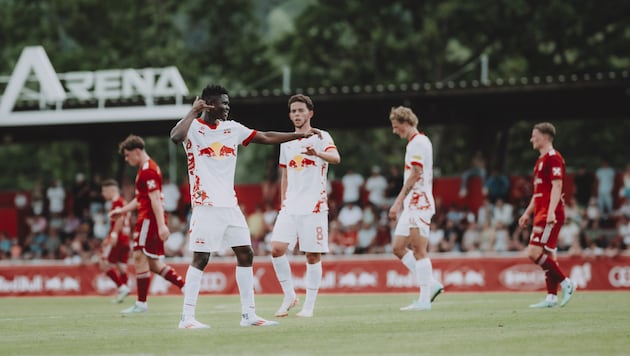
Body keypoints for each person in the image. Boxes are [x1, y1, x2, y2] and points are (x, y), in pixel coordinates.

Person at [170, 85, 322, 329]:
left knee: (246, 253)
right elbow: (175, 137)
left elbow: (266, 137)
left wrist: (298, 135)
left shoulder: (233, 129)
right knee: (201, 258)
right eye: (224, 103)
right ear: (209, 104)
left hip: (230, 206)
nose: (228, 107)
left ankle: (248, 315)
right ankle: (186, 318)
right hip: (205, 204)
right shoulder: (193, 128)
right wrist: (193, 112)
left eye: (228, 103)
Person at [269, 94, 340, 318]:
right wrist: (283, 203)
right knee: (276, 249)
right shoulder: (287, 141)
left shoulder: (321, 136)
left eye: (301, 110)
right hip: (290, 206)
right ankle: (289, 295)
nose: (297, 114)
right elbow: (285, 175)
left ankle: (309, 306)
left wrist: (317, 152)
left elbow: (336, 158)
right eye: (293, 111)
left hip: (314, 206)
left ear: (310, 113)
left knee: (312, 255)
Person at [110, 135, 186, 314]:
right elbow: (141, 198)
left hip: (149, 220)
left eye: (128, 156)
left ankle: (142, 303)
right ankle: (186, 287)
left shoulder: (148, 170)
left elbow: (155, 200)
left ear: (137, 151)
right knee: (152, 264)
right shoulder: (146, 168)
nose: (127, 159)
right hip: (149, 218)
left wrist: (161, 225)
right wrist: (122, 211)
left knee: (138, 256)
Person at [388, 106, 443, 311]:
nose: (395, 131)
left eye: (396, 126)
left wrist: (398, 201)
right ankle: (432, 284)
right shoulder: (416, 142)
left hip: (419, 202)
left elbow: (416, 173)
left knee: (419, 250)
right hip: (413, 203)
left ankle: (424, 300)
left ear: (405, 123)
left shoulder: (418, 143)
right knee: (398, 247)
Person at [517, 122, 575, 308]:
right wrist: (527, 213)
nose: (531, 138)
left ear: (545, 137)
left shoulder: (553, 157)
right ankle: (551, 297)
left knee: (533, 253)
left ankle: (567, 283)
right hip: (541, 212)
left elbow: (557, 186)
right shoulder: (540, 161)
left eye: (534, 135)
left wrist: (550, 212)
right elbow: (538, 192)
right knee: (549, 254)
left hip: (549, 213)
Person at [100, 179, 131, 303]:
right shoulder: (124, 201)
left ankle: (122, 288)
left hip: (118, 237)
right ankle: (122, 293)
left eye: (104, 191)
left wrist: (113, 234)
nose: (103, 194)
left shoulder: (117, 202)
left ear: (111, 190)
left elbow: (120, 218)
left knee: (103, 262)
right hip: (125, 237)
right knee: (121, 266)